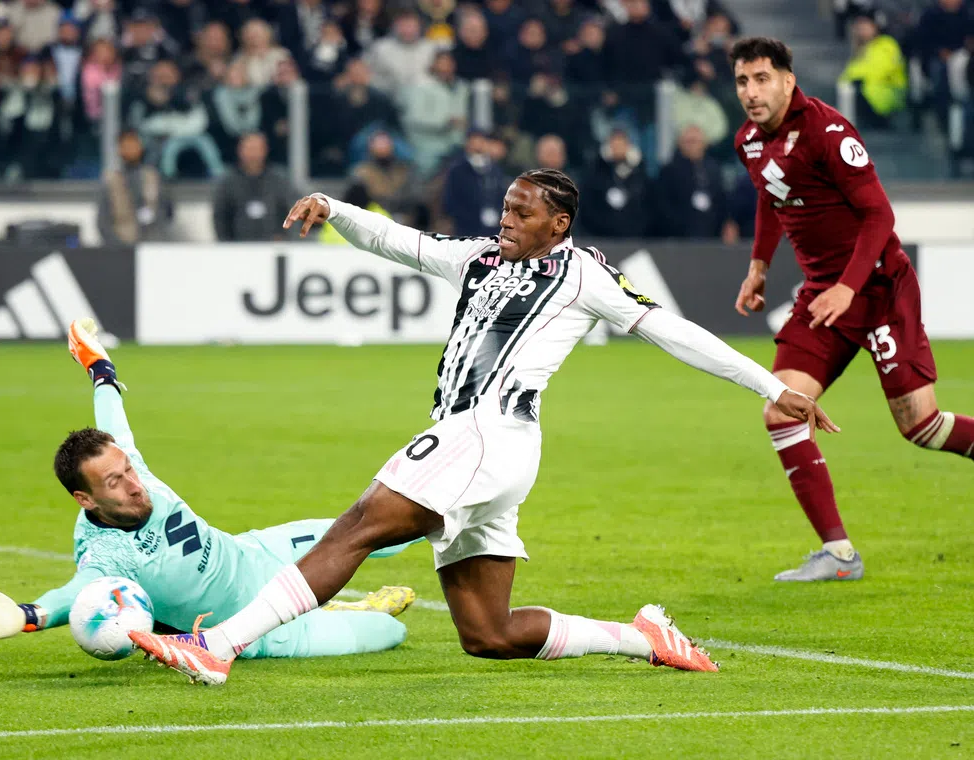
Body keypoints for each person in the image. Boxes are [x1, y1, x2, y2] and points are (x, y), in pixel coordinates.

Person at [127, 167, 837, 685]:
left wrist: (773, 387)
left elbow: (673, 331)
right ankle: (641, 636)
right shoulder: (479, 258)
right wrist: (334, 207)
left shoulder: (582, 275)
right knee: (488, 634)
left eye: (523, 213)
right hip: (486, 449)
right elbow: (400, 242)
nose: (507, 220)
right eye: (505, 208)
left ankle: (218, 646)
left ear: (559, 224)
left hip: (486, 434)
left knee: (358, 526)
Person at [0, 319, 418, 658]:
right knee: (389, 633)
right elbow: (75, 595)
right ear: (85, 499)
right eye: (115, 482)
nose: (134, 484)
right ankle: (343, 610)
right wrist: (27, 616)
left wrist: (95, 362)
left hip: (254, 553)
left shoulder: (127, 464)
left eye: (128, 470)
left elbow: (110, 404)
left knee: (394, 526)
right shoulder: (106, 553)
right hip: (257, 631)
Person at [730, 37, 974, 582]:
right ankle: (839, 555)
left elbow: (879, 215)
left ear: (788, 80)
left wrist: (848, 287)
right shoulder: (749, 140)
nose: (751, 92)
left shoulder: (826, 130)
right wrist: (759, 265)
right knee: (781, 409)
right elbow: (771, 197)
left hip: (879, 289)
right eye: (743, 81)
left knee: (922, 426)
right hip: (823, 297)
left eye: (762, 78)